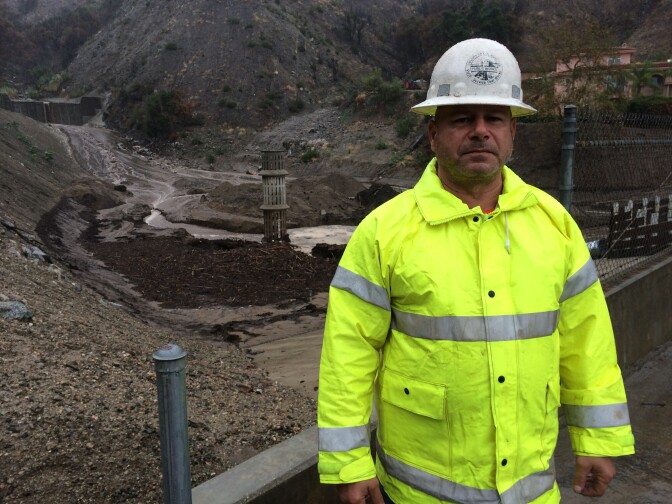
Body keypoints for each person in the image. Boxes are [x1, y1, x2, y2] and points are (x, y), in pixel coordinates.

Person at [316, 38, 635, 504]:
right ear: (432, 134)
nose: (480, 131)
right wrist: (349, 465)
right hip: (417, 494)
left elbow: (587, 345)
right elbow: (348, 356)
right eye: (463, 118)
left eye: (495, 118)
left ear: (513, 134)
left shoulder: (555, 226)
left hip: (530, 491)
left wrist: (598, 442)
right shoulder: (384, 232)